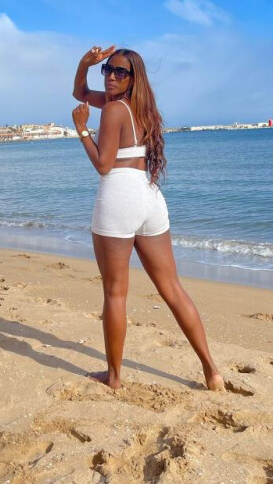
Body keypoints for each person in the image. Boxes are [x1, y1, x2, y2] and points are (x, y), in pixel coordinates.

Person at [72, 45, 224, 391]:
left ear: (132, 78)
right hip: (150, 198)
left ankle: (114, 377)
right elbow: (80, 92)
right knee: (172, 288)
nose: (111, 77)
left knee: (115, 292)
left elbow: (104, 165)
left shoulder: (113, 110)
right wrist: (85, 64)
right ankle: (211, 371)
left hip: (119, 197)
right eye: (107, 70)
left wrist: (81, 130)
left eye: (119, 72)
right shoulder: (142, 109)